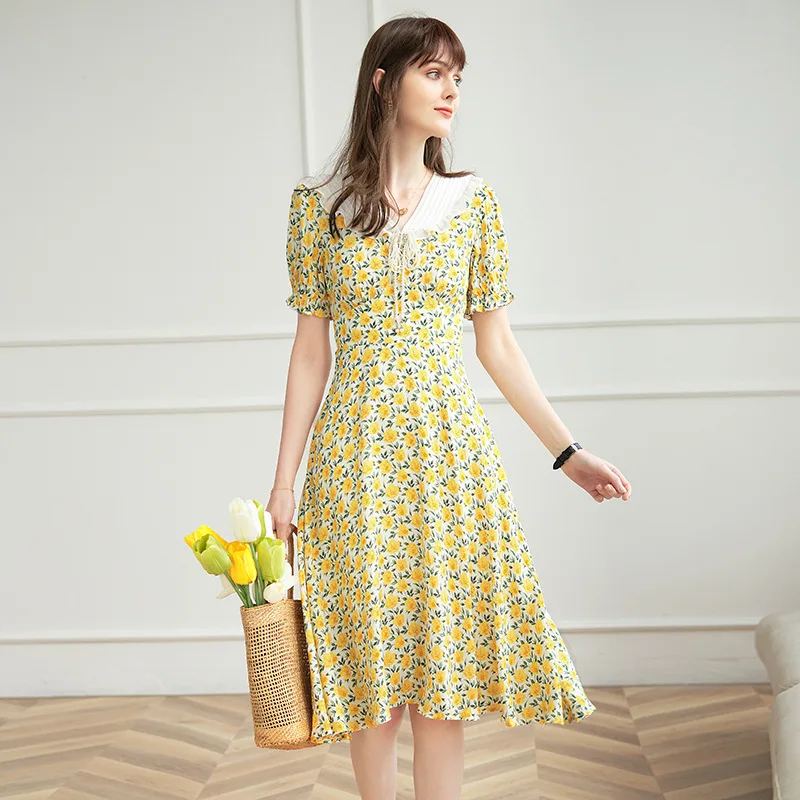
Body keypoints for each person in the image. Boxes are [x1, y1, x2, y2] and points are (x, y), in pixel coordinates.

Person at [267, 14, 632, 800]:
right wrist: (284, 482)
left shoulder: (473, 203)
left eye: (457, 77)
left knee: (442, 688)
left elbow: (497, 346)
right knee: (368, 684)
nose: (451, 90)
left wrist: (568, 453)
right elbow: (310, 352)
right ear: (382, 82)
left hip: (448, 459)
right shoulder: (317, 207)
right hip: (355, 461)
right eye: (433, 72)